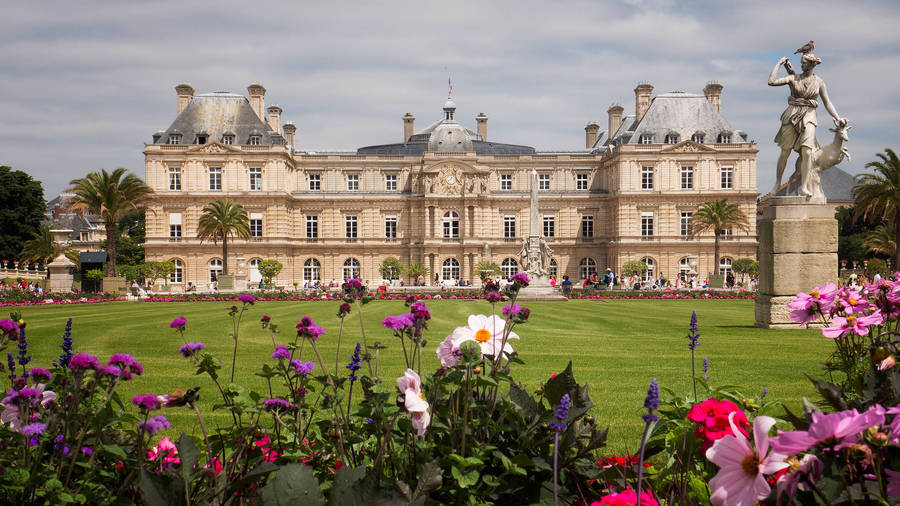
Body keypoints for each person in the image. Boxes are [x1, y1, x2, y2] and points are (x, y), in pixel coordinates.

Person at [768, 53, 848, 197]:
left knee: (807, 152)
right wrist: (779, 64)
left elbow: (827, 102)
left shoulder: (819, 82)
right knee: (785, 151)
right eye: (801, 62)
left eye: (804, 63)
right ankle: (777, 183)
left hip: (810, 116)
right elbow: (771, 81)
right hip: (792, 114)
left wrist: (837, 117)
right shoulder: (793, 78)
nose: (801, 65)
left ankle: (804, 187)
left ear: (812, 64)